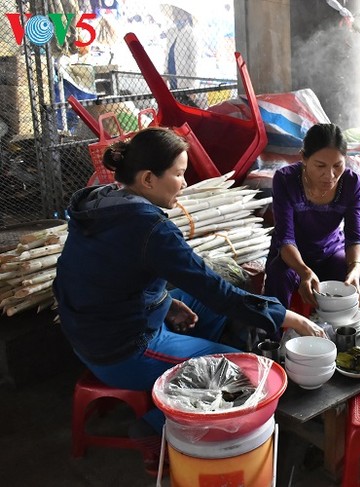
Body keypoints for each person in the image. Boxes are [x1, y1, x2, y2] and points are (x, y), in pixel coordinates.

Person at [53, 127, 324, 473]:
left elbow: (107, 276)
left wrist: (163, 301)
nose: (184, 183)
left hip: (87, 328)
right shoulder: (149, 228)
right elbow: (215, 288)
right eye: (179, 174)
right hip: (120, 346)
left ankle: (187, 367)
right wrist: (291, 317)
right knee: (241, 371)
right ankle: (156, 426)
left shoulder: (102, 202)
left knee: (201, 304)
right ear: (149, 178)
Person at [265, 123, 360, 308]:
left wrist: (355, 267)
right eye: (320, 166)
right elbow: (285, 239)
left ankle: (339, 329)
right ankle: (274, 336)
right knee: (279, 276)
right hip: (292, 256)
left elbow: (355, 237)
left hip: (330, 251)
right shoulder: (285, 180)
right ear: (304, 158)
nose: (329, 175)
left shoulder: (351, 183)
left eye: (337, 165)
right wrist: (304, 271)